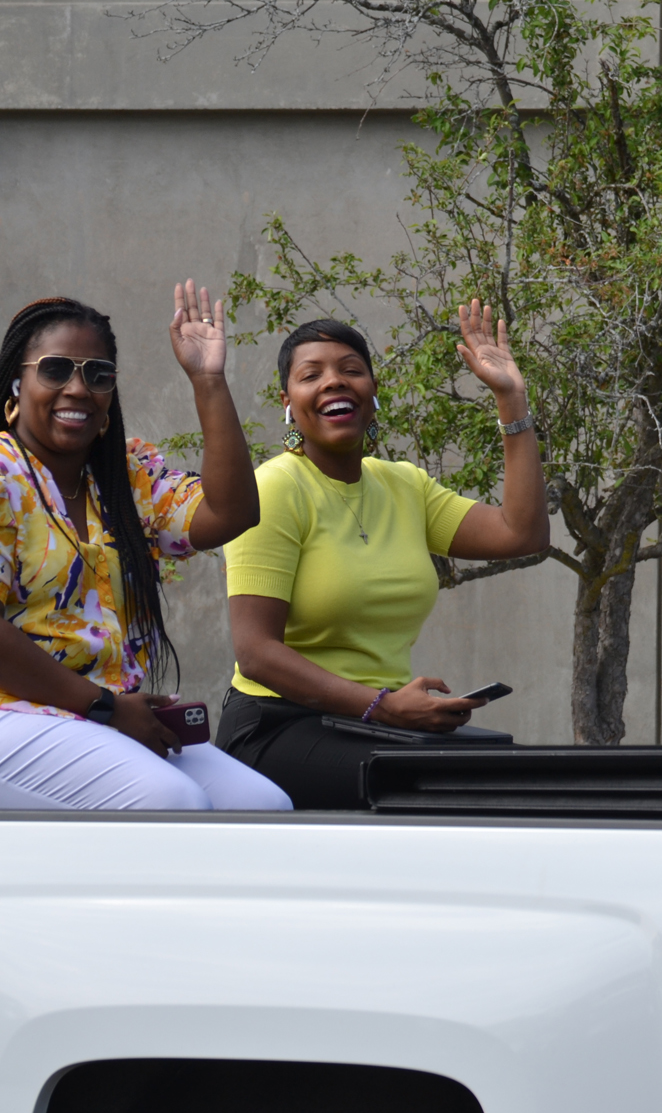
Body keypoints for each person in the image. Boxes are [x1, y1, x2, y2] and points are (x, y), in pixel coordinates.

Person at [0, 285, 292, 811]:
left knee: (263, 810)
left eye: (98, 375)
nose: (77, 388)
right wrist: (107, 709)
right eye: (54, 370)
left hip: (84, 718)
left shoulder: (124, 480)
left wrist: (207, 380)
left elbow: (230, 514)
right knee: (170, 802)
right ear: (16, 385)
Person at [218, 299, 551, 808]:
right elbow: (256, 652)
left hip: (379, 723)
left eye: (352, 370)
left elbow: (520, 534)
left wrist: (511, 398)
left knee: (520, 777)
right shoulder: (272, 489)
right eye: (313, 375)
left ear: (373, 395)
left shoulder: (404, 485)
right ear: (289, 402)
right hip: (277, 725)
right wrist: (385, 707)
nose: (334, 381)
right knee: (444, 786)